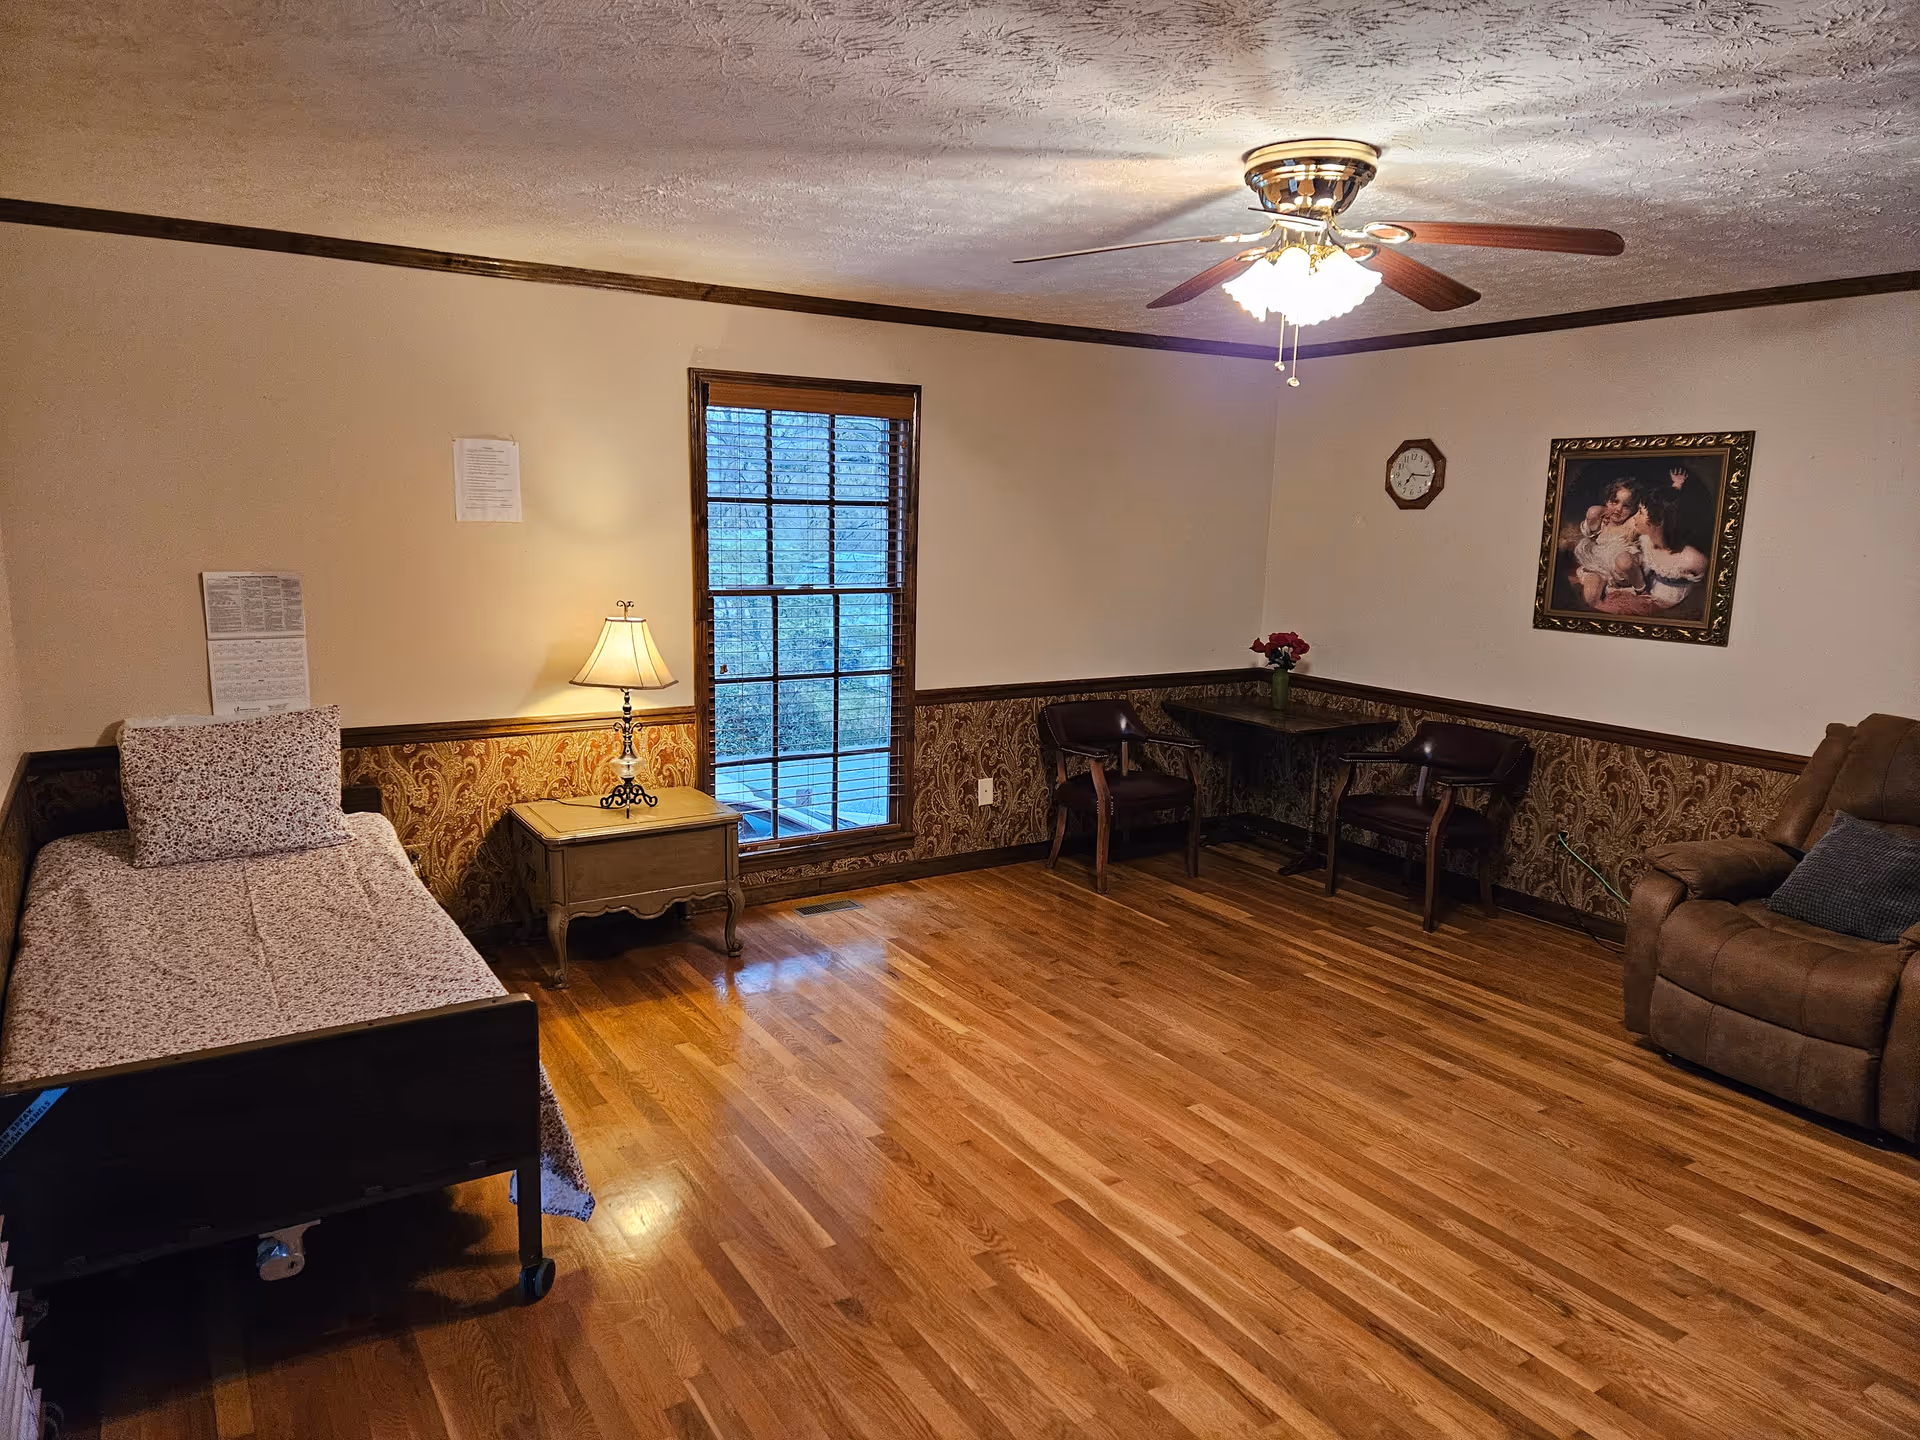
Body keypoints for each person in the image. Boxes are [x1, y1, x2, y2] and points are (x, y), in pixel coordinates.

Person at [1594, 466, 1711, 617]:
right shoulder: (1645, 541)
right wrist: (1676, 487)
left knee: (1613, 608)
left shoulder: (1691, 558)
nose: (1634, 518)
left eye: (1641, 513)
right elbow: (1667, 505)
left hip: (1665, 601)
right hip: (1650, 589)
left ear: (1657, 522)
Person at [1569, 478, 1646, 608]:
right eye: (1614, 502)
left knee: (1625, 561)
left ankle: (1641, 590)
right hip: (1597, 567)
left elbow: (1653, 508)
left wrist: (1675, 487)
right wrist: (1603, 511)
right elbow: (1592, 516)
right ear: (1606, 501)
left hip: (1619, 570)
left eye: (1626, 506)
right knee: (1590, 597)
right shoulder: (1601, 520)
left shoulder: (1630, 523)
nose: (1618, 509)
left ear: (1634, 509)